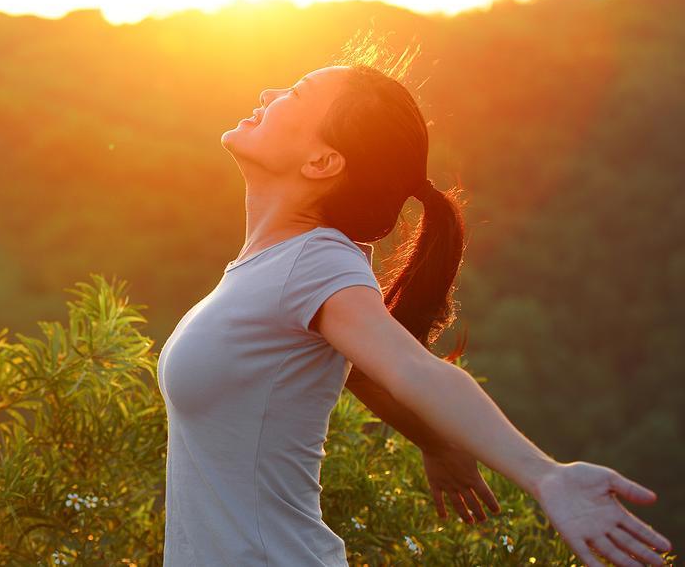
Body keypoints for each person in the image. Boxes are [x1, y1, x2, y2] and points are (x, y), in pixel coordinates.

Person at [155, 59, 673, 566]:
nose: (268, 93)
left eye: (295, 93)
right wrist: (432, 439)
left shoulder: (316, 263)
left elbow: (412, 368)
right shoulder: (272, 268)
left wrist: (545, 475)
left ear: (322, 162)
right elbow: (355, 367)